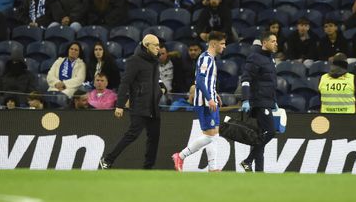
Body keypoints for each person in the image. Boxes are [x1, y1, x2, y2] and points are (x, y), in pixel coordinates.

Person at [99, 34, 163, 170]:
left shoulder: (155, 62)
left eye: (159, 45)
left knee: (154, 138)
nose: (159, 48)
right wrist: (120, 105)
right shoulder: (134, 61)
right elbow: (125, 83)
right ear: (146, 46)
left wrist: (162, 89)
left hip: (153, 106)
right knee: (132, 135)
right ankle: (107, 159)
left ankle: (148, 168)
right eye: (156, 45)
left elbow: (156, 81)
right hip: (139, 105)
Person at [172, 31, 227, 172]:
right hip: (204, 102)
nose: (224, 46)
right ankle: (180, 156)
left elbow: (208, 81)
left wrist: (215, 94)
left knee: (215, 134)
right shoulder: (205, 59)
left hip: (210, 99)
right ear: (214, 44)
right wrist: (209, 98)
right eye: (222, 43)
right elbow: (200, 81)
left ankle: (213, 168)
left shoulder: (210, 59)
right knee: (209, 136)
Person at [238, 31, 279, 172]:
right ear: (264, 43)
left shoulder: (270, 59)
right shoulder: (255, 58)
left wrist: (274, 101)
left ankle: (259, 172)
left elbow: (270, 83)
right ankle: (247, 161)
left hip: (267, 101)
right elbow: (246, 79)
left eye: (276, 41)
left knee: (259, 137)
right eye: (273, 41)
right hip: (259, 102)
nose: (276, 44)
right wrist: (245, 100)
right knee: (271, 131)